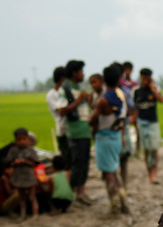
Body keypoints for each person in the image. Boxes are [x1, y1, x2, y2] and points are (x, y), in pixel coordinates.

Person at [87, 64, 130, 214]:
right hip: (117, 136)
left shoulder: (102, 100)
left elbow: (91, 121)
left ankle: (115, 201)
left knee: (108, 172)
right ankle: (123, 195)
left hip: (104, 138)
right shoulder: (121, 96)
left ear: (104, 80)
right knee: (114, 169)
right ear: (119, 79)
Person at [61, 60, 94, 205]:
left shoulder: (76, 88)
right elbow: (62, 110)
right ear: (74, 73)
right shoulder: (65, 89)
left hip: (84, 132)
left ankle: (81, 193)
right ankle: (73, 195)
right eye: (81, 71)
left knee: (84, 164)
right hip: (76, 133)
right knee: (77, 164)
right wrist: (80, 100)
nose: (83, 74)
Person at [134, 68, 163, 185]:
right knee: (146, 150)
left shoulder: (155, 89)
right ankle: (149, 175)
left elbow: (162, 100)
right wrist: (133, 117)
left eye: (148, 78)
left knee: (154, 150)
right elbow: (136, 106)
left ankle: (154, 174)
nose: (145, 80)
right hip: (142, 122)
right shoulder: (136, 91)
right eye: (144, 77)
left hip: (153, 122)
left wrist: (153, 90)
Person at [46, 66, 71, 159]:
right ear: (62, 78)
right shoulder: (51, 95)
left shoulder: (67, 91)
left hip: (72, 130)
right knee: (67, 160)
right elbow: (61, 111)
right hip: (63, 130)